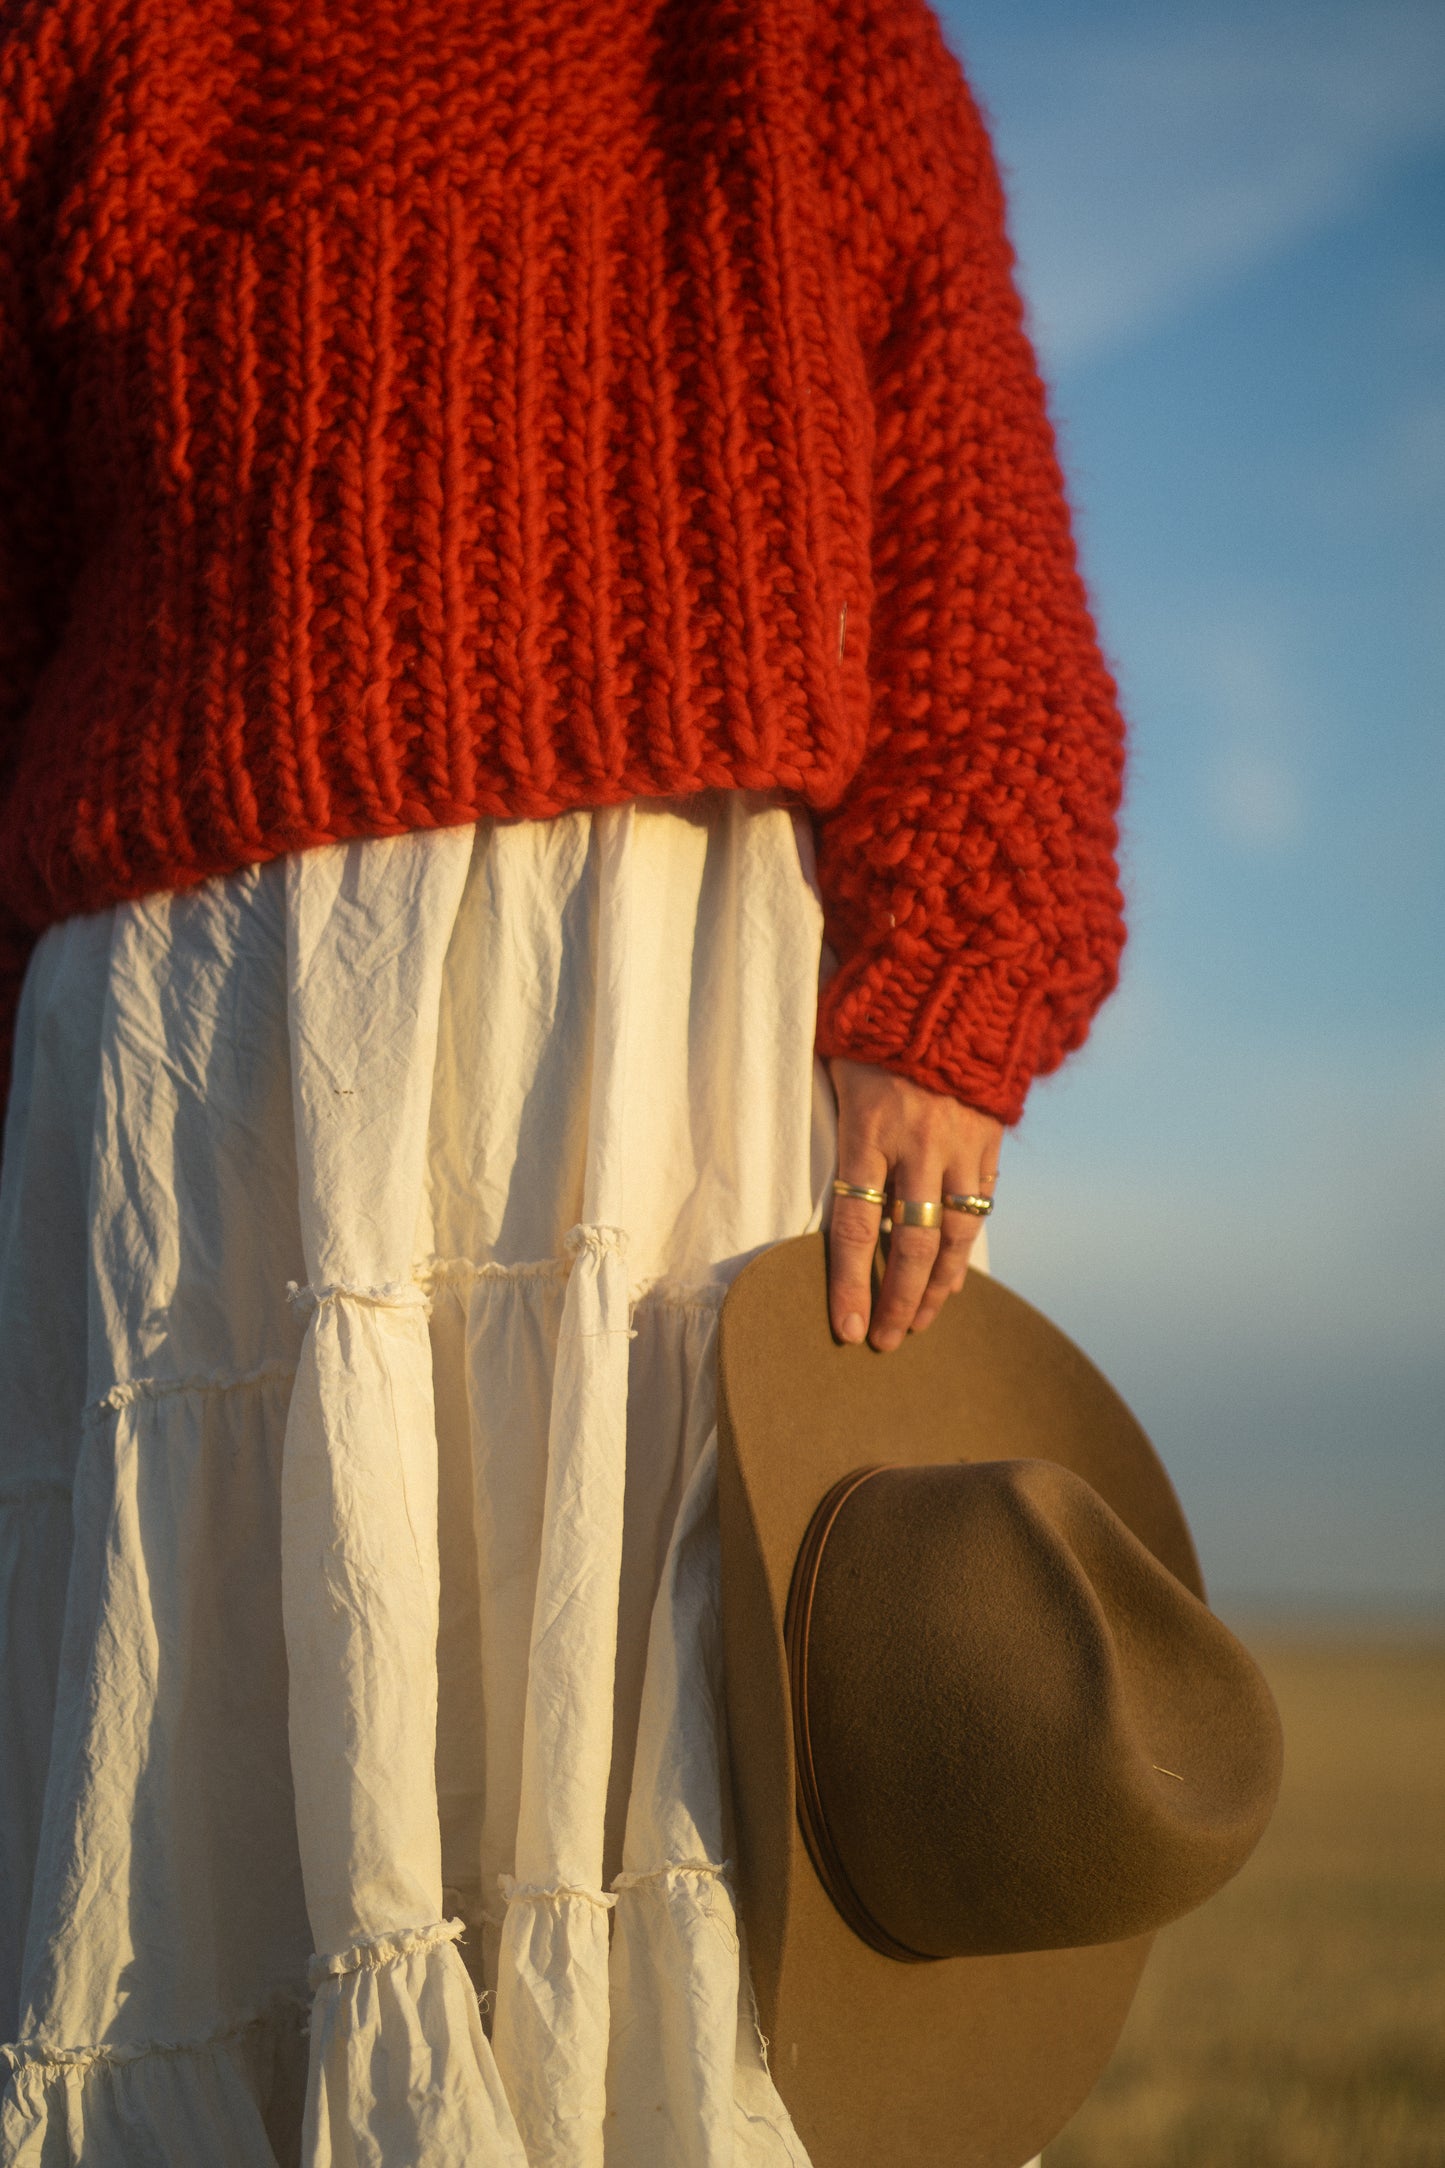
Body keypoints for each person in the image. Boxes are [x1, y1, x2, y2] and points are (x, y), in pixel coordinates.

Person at [0, 0, 1125, 2160]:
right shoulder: (113, 38)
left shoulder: (808, 42)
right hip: (193, 1037)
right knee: (199, 1827)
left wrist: (946, 1005)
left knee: (641, 1775)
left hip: (646, 1021)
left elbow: (981, 567)